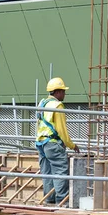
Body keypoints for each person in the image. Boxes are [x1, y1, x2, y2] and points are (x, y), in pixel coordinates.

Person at [35, 77, 80, 206]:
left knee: (47, 172)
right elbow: (62, 130)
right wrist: (72, 145)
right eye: (63, 91)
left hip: (41, 143)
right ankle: (62, 201)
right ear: (57, 92)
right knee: (60, 171)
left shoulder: (43, 103)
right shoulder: (57, 105)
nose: (64, 94)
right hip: (53, 143)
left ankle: (49, 199)